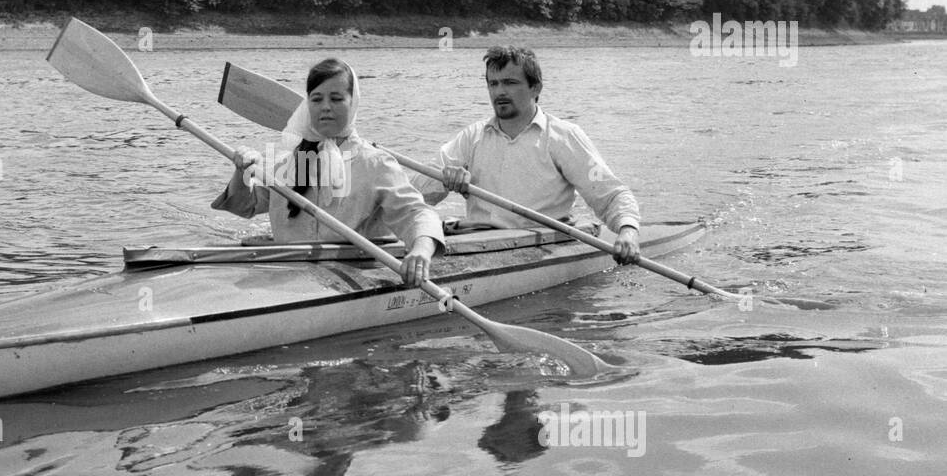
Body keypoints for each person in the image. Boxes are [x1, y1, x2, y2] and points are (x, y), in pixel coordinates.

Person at [212, 58, 445, 287]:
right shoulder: (286, 163)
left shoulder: (376, 164)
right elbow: (245, 206)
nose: (325, 107)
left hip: (351, 279)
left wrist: (421, 251)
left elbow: (417, 214)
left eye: (336, 99)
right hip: (282, 278)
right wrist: (241, 172)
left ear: (353, 103)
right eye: (316, 99)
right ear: (307, 106)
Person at [410, 46, 642, 264]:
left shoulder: (564, 136)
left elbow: (610, 195)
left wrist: (628, 232)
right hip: (476, 241)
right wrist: (444, 178)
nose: (499, 92)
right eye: (493, 83)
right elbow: (412, 195)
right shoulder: (472, 137)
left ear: (535, 87)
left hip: (538, 243)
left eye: (510, 83)